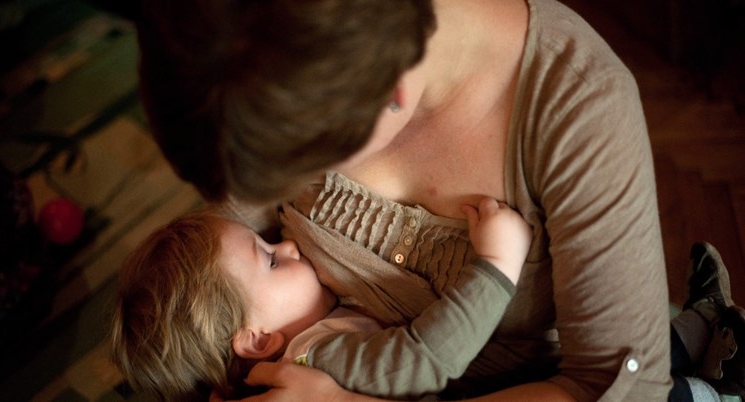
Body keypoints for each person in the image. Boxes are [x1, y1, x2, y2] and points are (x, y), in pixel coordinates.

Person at [135, 0, 743, 400]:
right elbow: (214, 266)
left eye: (298, 167)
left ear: (389, 88)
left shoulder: (578, 106)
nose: (284, 230)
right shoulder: (258, 66)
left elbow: (619, 386)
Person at [110, 196, 532, 401]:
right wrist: (496, 264)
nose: (289, 247)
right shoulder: (320, 358)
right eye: (272, 260)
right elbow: (427, 357)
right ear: (258, 340)